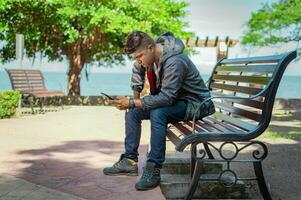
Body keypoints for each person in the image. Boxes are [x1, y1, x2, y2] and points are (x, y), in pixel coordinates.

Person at [103, 31, 215, 191]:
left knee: (159, 112)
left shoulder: (174, 61)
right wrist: (133, 102)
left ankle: (154, 168)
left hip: (196, 104)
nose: (138, 60)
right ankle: (129, 161)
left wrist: (133, 102)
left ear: (150, 47)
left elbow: (167, 98)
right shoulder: (149, 56)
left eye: (139, 56)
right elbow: (137, 69)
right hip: (177, 101)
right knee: (133, 112)